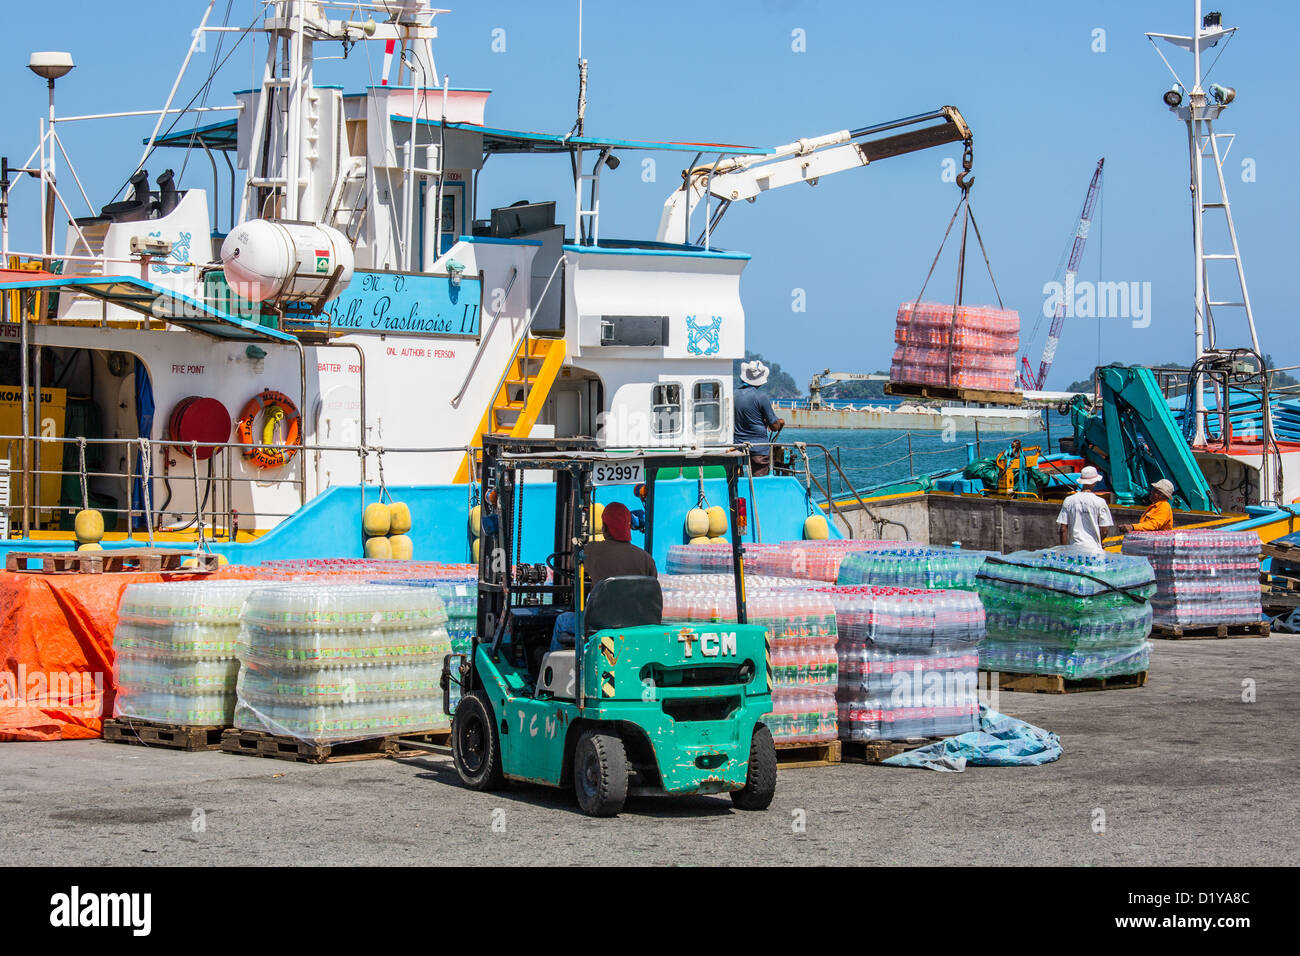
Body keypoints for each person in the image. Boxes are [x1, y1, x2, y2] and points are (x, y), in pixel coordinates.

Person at [551, 502, 656, 650]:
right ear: (628, 526)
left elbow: (572, 562)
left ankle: (555, 670)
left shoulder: (594, 551)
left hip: (600, 625)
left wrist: (579, 547)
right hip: (636, 626)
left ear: (605, 527)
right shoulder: (646, 558)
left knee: (562, 621)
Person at [734, 360, 784, 476]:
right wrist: (781, 422)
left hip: (737, 447)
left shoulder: (733, 394)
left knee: (737, 480)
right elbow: (774, 426)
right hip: (759, 449)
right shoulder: (761, 397)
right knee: (759, 482)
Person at [1056, 465, 1116, 552]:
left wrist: (1065, 550)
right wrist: (1099, 542)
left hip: (1074, 549)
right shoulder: (1100, 502)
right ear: (1095, 482)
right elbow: (1104, 530)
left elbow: (1063, 529)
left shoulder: (1068, 500)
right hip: (1094, 550)